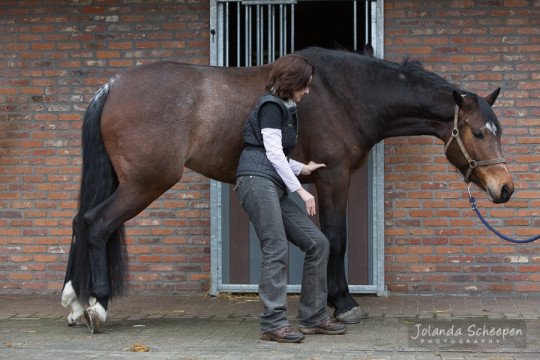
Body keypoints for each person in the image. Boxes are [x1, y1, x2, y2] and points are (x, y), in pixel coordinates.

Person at [235, 54, 347, 343]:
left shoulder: (285, 107)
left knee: (317, 243)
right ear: (292, 83)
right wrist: (301, 189)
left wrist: (303, 167)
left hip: (270, 182)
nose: (307, 91)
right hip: (255, 182)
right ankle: (273, 324)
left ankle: (312, 317)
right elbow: (270, 154)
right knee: (275, 249)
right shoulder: (271, 106)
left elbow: (277, 155)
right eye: (305, 85)